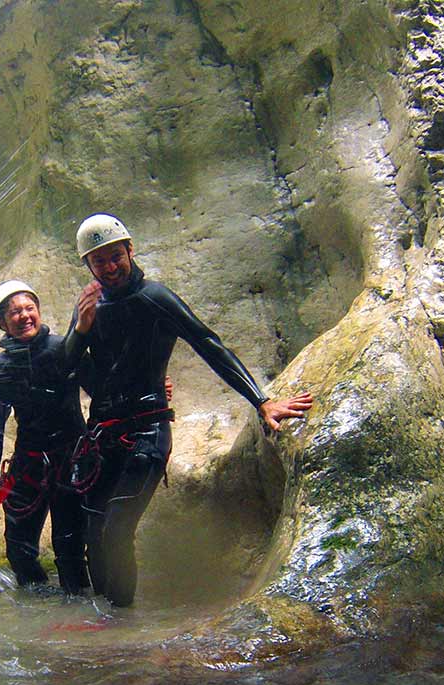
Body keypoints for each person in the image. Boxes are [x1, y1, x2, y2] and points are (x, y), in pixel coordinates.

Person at [65, 213, 313, 606]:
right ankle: (103, 622)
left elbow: (208, 344)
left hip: (146, 430)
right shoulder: (88, 309)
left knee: (116, 529)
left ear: (130, 250)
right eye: (100, 261)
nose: (110, 267)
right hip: (104, 435)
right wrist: (80, 329)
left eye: (116, 256)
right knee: (93, 529)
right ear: (88, 266)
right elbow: (68, 369)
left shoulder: (155, 298)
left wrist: (261, 401)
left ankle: (120, 617)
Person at [0, 280, 90, 595]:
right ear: (3, 322)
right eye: (15, 312)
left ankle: (80, 620)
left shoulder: (64, 348)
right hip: (28, 465)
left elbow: (103, 388)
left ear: (39, 313)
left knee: (69, 550)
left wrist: (154, 388)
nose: (24, 316)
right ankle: (37, 622)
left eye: (30, 309)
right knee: (18, 550)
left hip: (72, 460)